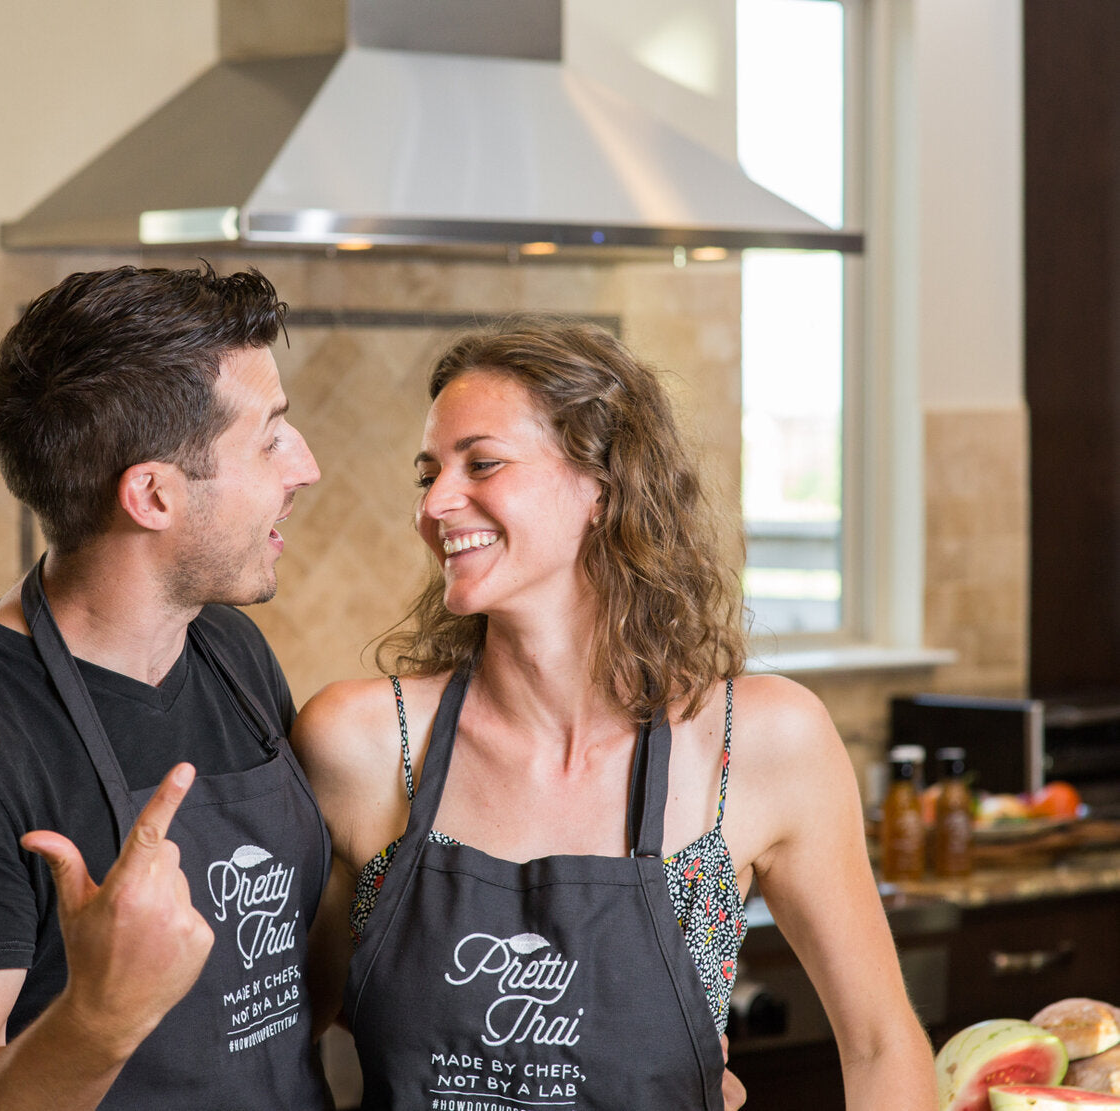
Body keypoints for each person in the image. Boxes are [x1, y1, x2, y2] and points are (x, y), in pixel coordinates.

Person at [292, 318, 936, 1110]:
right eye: (428, 474)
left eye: (482, 463)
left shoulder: (758, 743)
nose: (436, 503)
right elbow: (278, 1032)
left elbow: (879, 1042)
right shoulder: (361, 745)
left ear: (601, 486)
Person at [0, 263, 333, 1111]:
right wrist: (100, 1019)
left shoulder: (231, 653)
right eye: (271, 437)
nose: (307, 467)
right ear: (152, 494)